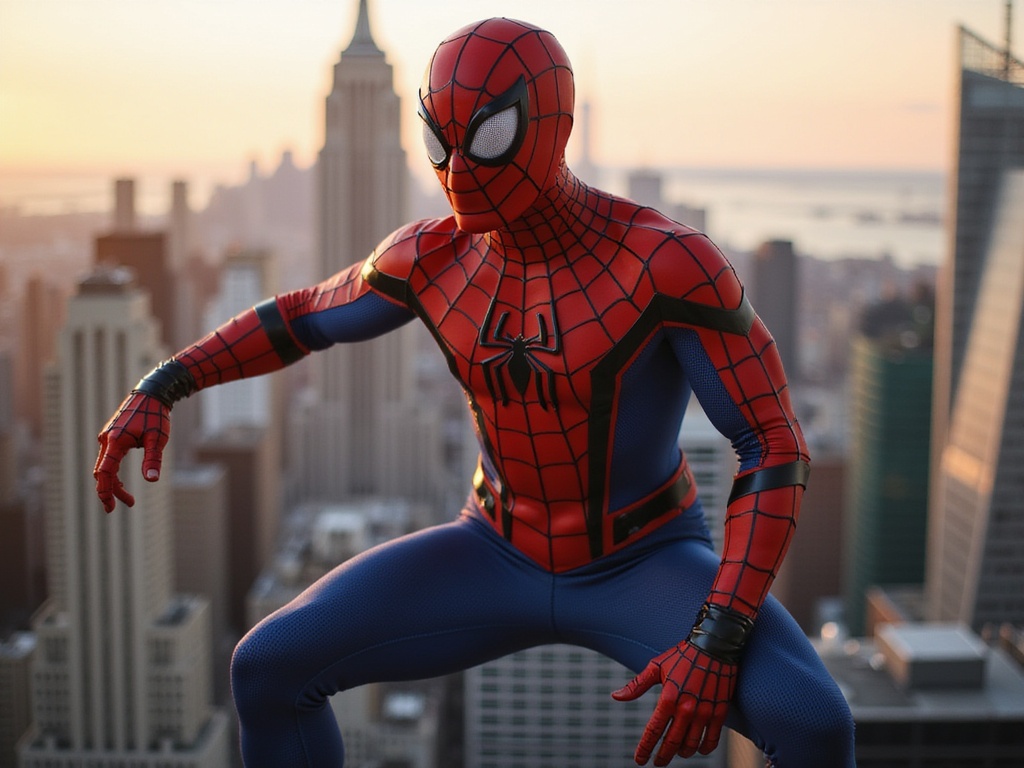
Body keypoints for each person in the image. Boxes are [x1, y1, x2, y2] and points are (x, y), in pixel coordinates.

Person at [94, 17, 856, 768]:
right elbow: (302, 317)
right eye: (439, 142)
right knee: (267, 665)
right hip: (492, 544)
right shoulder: (431, 256)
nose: (457, 171)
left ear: (554, 129)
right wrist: (164, 383)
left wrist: (716, 638)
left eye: (488, 138)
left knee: (814, 725)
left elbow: (771, 442)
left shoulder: (667, 262)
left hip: (643, 560)